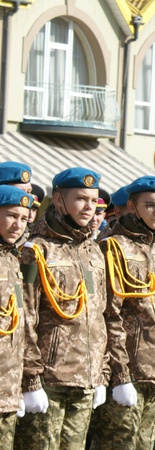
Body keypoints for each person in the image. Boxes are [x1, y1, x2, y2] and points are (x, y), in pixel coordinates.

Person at [15, 167, 108, 449]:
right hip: (50, 379)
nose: (88, 207)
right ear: (58, 200)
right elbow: (26, 317)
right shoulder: (36, 249)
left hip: (86, 378)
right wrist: (31, 380)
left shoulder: (92, 250)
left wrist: (102, 373)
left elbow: (99, 313)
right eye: (80, 199)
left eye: (93, 201)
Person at [92, 176, 155, 450]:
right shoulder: (114, 246)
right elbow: (109, 315)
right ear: (132, 206)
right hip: (130, 369)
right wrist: (119, 376)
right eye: (150, 205)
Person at [0, 186, 35, 446]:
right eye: (12, 216)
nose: (18, 225)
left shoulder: (13, 258)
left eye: (23, 218)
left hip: (8, 391)